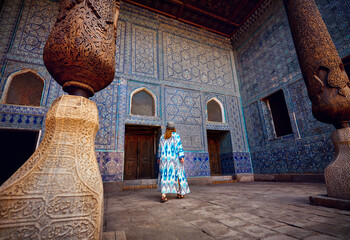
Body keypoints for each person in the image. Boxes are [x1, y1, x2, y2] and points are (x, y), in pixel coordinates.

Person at [157, 121, 190, 203]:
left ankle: (163, 195)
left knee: (164, 177)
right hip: (174, 159)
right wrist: (181, 156)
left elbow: (159, 149)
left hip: (164, 160)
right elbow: (179, 146)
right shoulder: (176, 136)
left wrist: (158, 157)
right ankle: (180, 193)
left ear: (167, 128)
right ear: (174, 128)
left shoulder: (162, 137)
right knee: (178, 175)